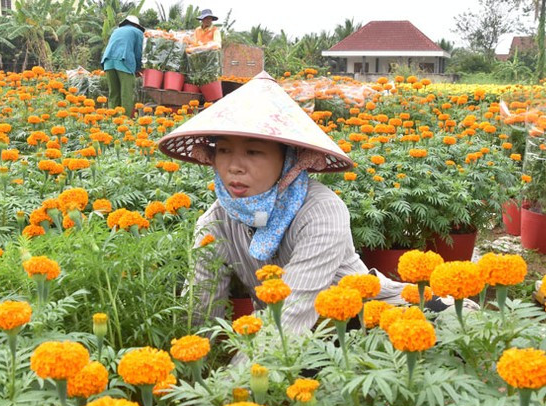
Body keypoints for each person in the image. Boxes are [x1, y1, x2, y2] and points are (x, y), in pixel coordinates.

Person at [158, 71, 411, 336]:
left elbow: (292, 311)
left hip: (373, 325)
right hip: (298, 343)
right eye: (224, 150)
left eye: (253, 152)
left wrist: (239, 377)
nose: (234, 166)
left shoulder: (322, 212)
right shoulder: (216, 222)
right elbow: (199, 314)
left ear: (289, 159)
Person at [101, 15, 145, 109]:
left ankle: (112, 120)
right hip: (124, 62)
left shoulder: (116, 31)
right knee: (126, 94)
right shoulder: (137, 32)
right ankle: (125, 121)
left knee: (113, 94)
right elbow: (138, 52)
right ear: (137, 25)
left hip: (108, 62)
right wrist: (138, 69)